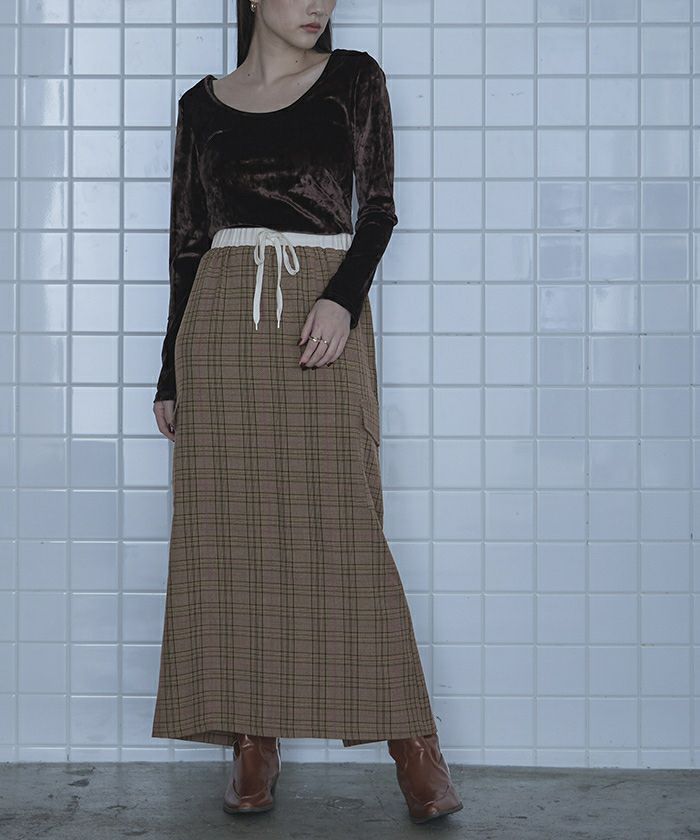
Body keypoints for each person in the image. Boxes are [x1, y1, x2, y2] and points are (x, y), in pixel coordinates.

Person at [150, 0, 462, 824]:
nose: (318, 3)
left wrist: (342, 300)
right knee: (230, 533)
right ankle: (254, 739)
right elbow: (187, 245)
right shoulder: (200, 107)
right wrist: (170, 372)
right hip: (221, 327)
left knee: (344, 524)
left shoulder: (353, 79)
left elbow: (379, 208)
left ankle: (413, 742)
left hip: (318, 315)